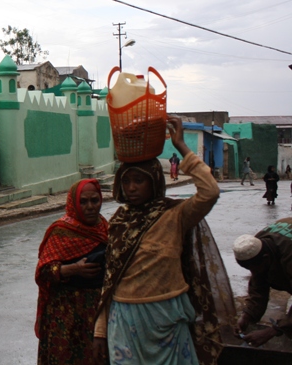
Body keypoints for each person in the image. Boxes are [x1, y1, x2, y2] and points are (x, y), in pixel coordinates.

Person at [92, 116, 233, 365]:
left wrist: (180, 145)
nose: (131, 188)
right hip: (125, 319)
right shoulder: (119, 221)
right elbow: (109, 280)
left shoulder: (175, 215)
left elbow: (210, 191)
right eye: (126, 181)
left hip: (167, 317)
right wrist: (100, 331)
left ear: (155, 181)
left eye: (139, 180)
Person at [35, 178, 108, 365]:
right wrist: (73, 269)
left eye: (95, 200)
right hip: (65, 314)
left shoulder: (105, 228)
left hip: (96, 312)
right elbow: (43, 271)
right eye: (83, 201)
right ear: (73, 203)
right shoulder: (61, 231)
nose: (90, 206)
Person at [232, 218, 292, 347]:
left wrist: (273, 330)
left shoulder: (289, 257)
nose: (253, 272)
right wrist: (247, 315)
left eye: (253, 268)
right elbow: (259, 282)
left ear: (266, 258)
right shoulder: (256, 245)